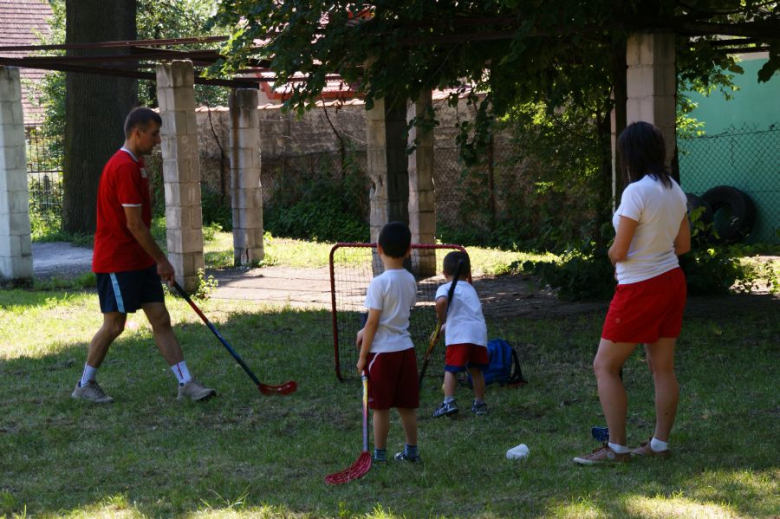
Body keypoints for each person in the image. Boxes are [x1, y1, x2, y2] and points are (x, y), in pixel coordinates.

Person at [72, 107, 216, 404]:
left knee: (161, 319)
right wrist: (162, 260)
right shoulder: (123, 166)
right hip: (117, 260)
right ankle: (84, 385)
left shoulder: (136, 165)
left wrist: (153, 260)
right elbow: (134, 224)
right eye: (154, 134)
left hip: (139, 259)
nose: (158, 140)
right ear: (137, 133)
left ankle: (186, 383)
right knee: (114, 325)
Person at [574, 121, 690, 465]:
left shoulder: (636, 191)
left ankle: (616, 448)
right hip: (672, 281)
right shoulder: (675, 191)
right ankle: (659, 444)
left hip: (640, 287)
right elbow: (682, 245)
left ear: (630, 154)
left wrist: (612, 254)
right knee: (662, 368)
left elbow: (620, 250)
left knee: (604, 366)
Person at [356, 222, 420, 463]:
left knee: (380, 408)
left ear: (379, 248)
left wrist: (363, 357)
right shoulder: (410, 280)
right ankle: (411, 451)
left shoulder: (378, 283)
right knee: (406, 406)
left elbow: (372, 323)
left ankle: (379, 456)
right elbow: (399, 311)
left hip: (382, 354)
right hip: (406, 350)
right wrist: (367, 329)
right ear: (409, 250)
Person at [431, 251, 489, 418]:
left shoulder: (445, 288)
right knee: (476, 371)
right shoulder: (470, 289)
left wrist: (441, 319)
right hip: (477, 335)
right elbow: (463, 315)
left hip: (459, 337)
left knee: (451, 370)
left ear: (444, 273)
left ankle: (448, 401)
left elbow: (441, 302)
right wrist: (443, 329)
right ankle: (480, 404)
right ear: (468, 273)